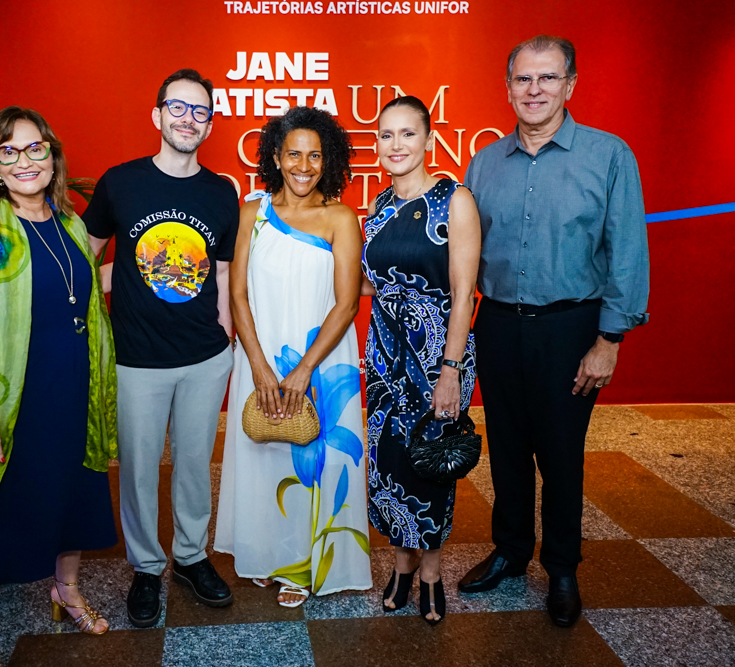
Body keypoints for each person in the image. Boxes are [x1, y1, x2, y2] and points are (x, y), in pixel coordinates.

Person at [458, 35, 650, 628]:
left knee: (561, 455)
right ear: (508, 87)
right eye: (523, 79)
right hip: (497, 324)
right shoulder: (486, 161)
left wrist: (608, 340)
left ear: (570, 85)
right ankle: (512, 553)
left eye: (547, 79)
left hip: (572, 327)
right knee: (508, 448)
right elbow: (464, 253)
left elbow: (627, 252)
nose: (533, 90)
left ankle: (562, 567)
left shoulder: (608, 155)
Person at [0, 106, 118, 667]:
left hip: (73, 388)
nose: (25, 161)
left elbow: (83, 296)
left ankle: (64, 590)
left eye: (36, 148)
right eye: (10, 152)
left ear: (53, 156)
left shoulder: (71, 224)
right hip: (13, 399)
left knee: (70, 494)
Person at [83, 69, 238, 628]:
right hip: (136, 361)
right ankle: (147, 567)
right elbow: (85, 254)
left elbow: (220, 272)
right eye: (178, 107)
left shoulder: (221, 192)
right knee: (140, 470)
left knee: (196, 466)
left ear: (210, 123)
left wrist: (226, 339)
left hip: (204, 357)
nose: (187, 119)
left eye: (200, 111)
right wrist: (118, 283)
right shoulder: (120, 183)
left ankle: (191, 557)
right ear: (157, 115)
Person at [215, 106, 372, 607]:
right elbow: (237, 295)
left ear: (328, 161)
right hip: (258, 357)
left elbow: (347, 303)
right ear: (276, 159)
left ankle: (305, 567)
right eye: (293, 154)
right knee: (264, 455)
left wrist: (304, 369)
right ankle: (265, 555)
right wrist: (259, 365)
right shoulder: (250, 214)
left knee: (312, 463)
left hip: (320, 362)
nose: (304, 165)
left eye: (314, 156)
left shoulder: (340, 217)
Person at [362, 96, 481, 625]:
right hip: (386, 355)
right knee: (389, 464)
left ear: (429, 140)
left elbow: (464, 289)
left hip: (438, 355)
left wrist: (450, 369)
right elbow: (370, 282)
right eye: (386, 135)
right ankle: (400, 564)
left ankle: (430, 571)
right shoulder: (377, 207)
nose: (396, 145)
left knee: (432, 464)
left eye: (407, 134)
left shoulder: (453, 199)